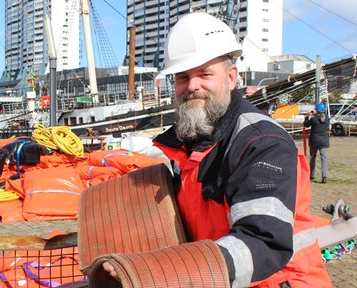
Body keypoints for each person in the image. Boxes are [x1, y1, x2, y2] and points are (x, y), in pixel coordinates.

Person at [103, 12, 331, 287]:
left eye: (204, 74)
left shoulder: (262, 143)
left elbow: (262, 241)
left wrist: (167, 270)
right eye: (183, 76)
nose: (192, 86)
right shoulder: (188, 141)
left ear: (231, 78)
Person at [304, 103, 330, 183]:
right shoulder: (327, 118)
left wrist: (308, 116)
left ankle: (312, 175)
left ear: (317, 110)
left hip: (314, 141)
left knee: (312, 158)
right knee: (324, 159)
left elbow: (306, 124)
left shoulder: (314, 119)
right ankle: (324, 176)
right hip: (324, 140)